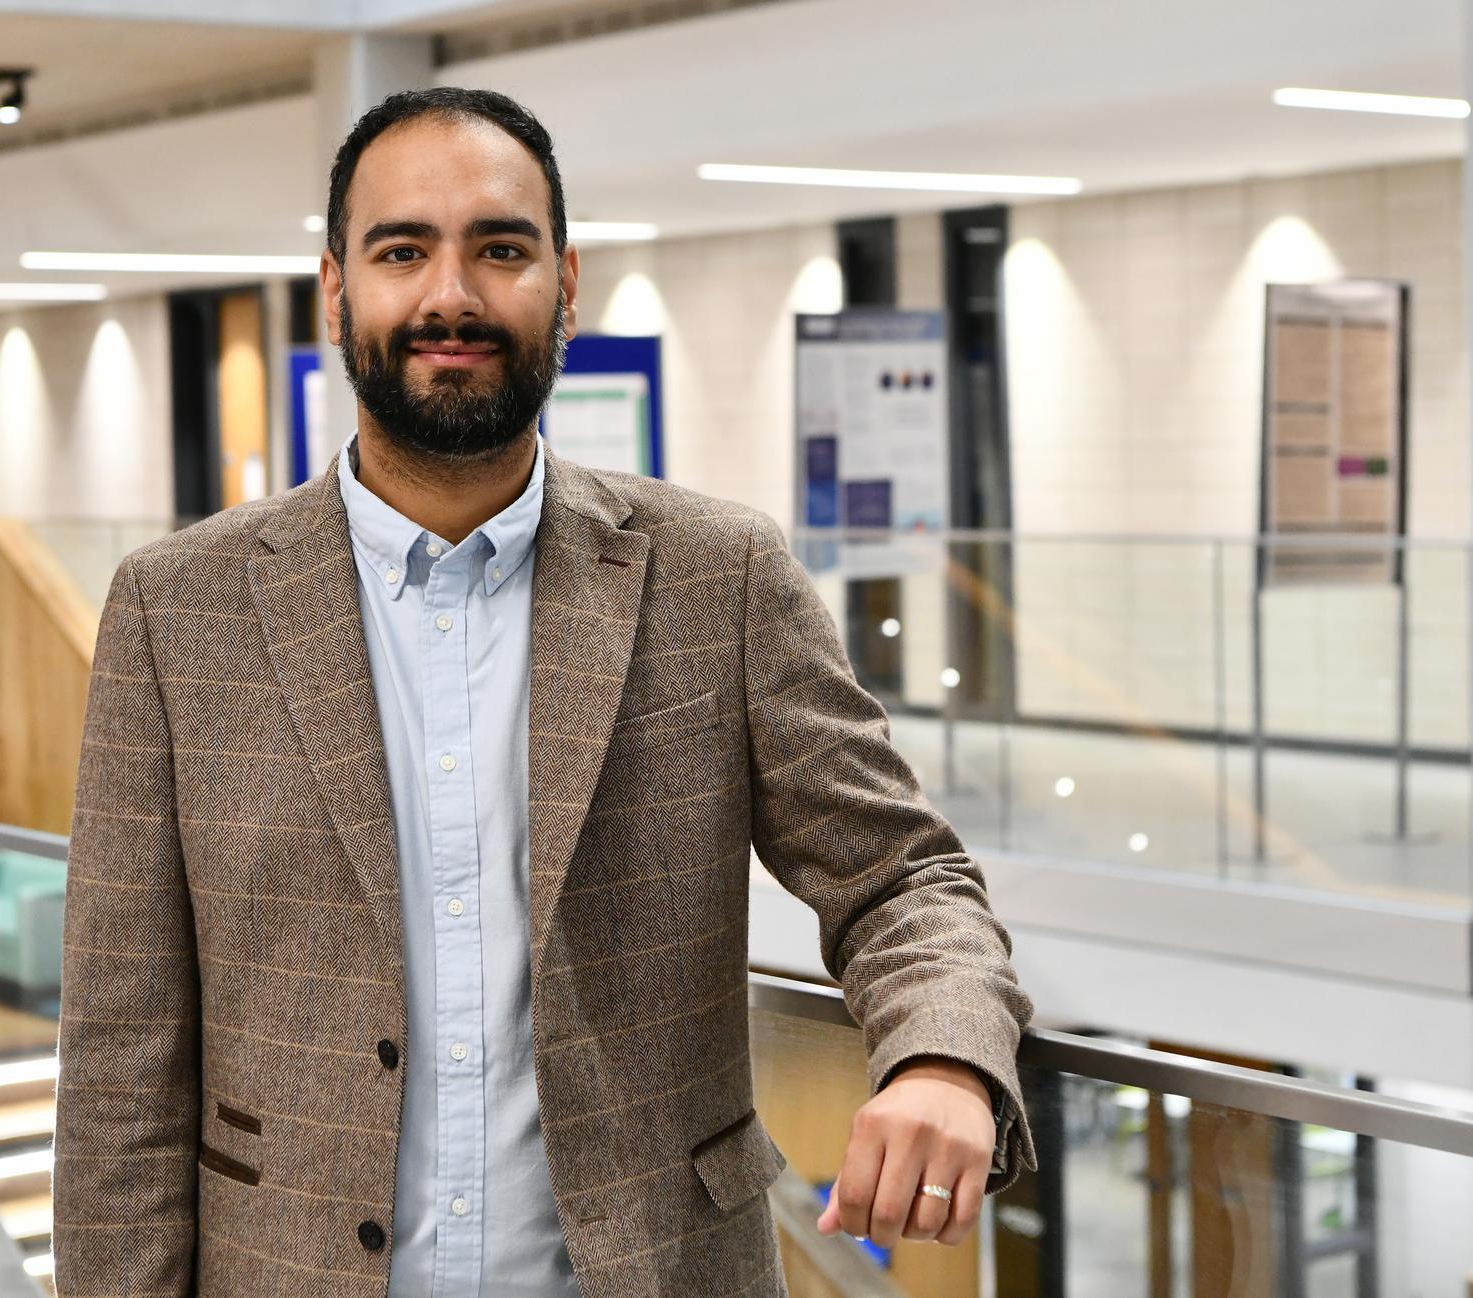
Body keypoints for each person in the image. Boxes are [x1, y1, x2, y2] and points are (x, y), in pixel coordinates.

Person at [52, 85, 1036, 1298]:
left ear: (564, 284)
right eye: (401, 249)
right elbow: (119, 1065)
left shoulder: (715, 577)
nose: (450, 294)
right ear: (334, 288)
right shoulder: (175, 611)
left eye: (499, 248)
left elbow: (902, 876)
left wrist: (940, 1056)